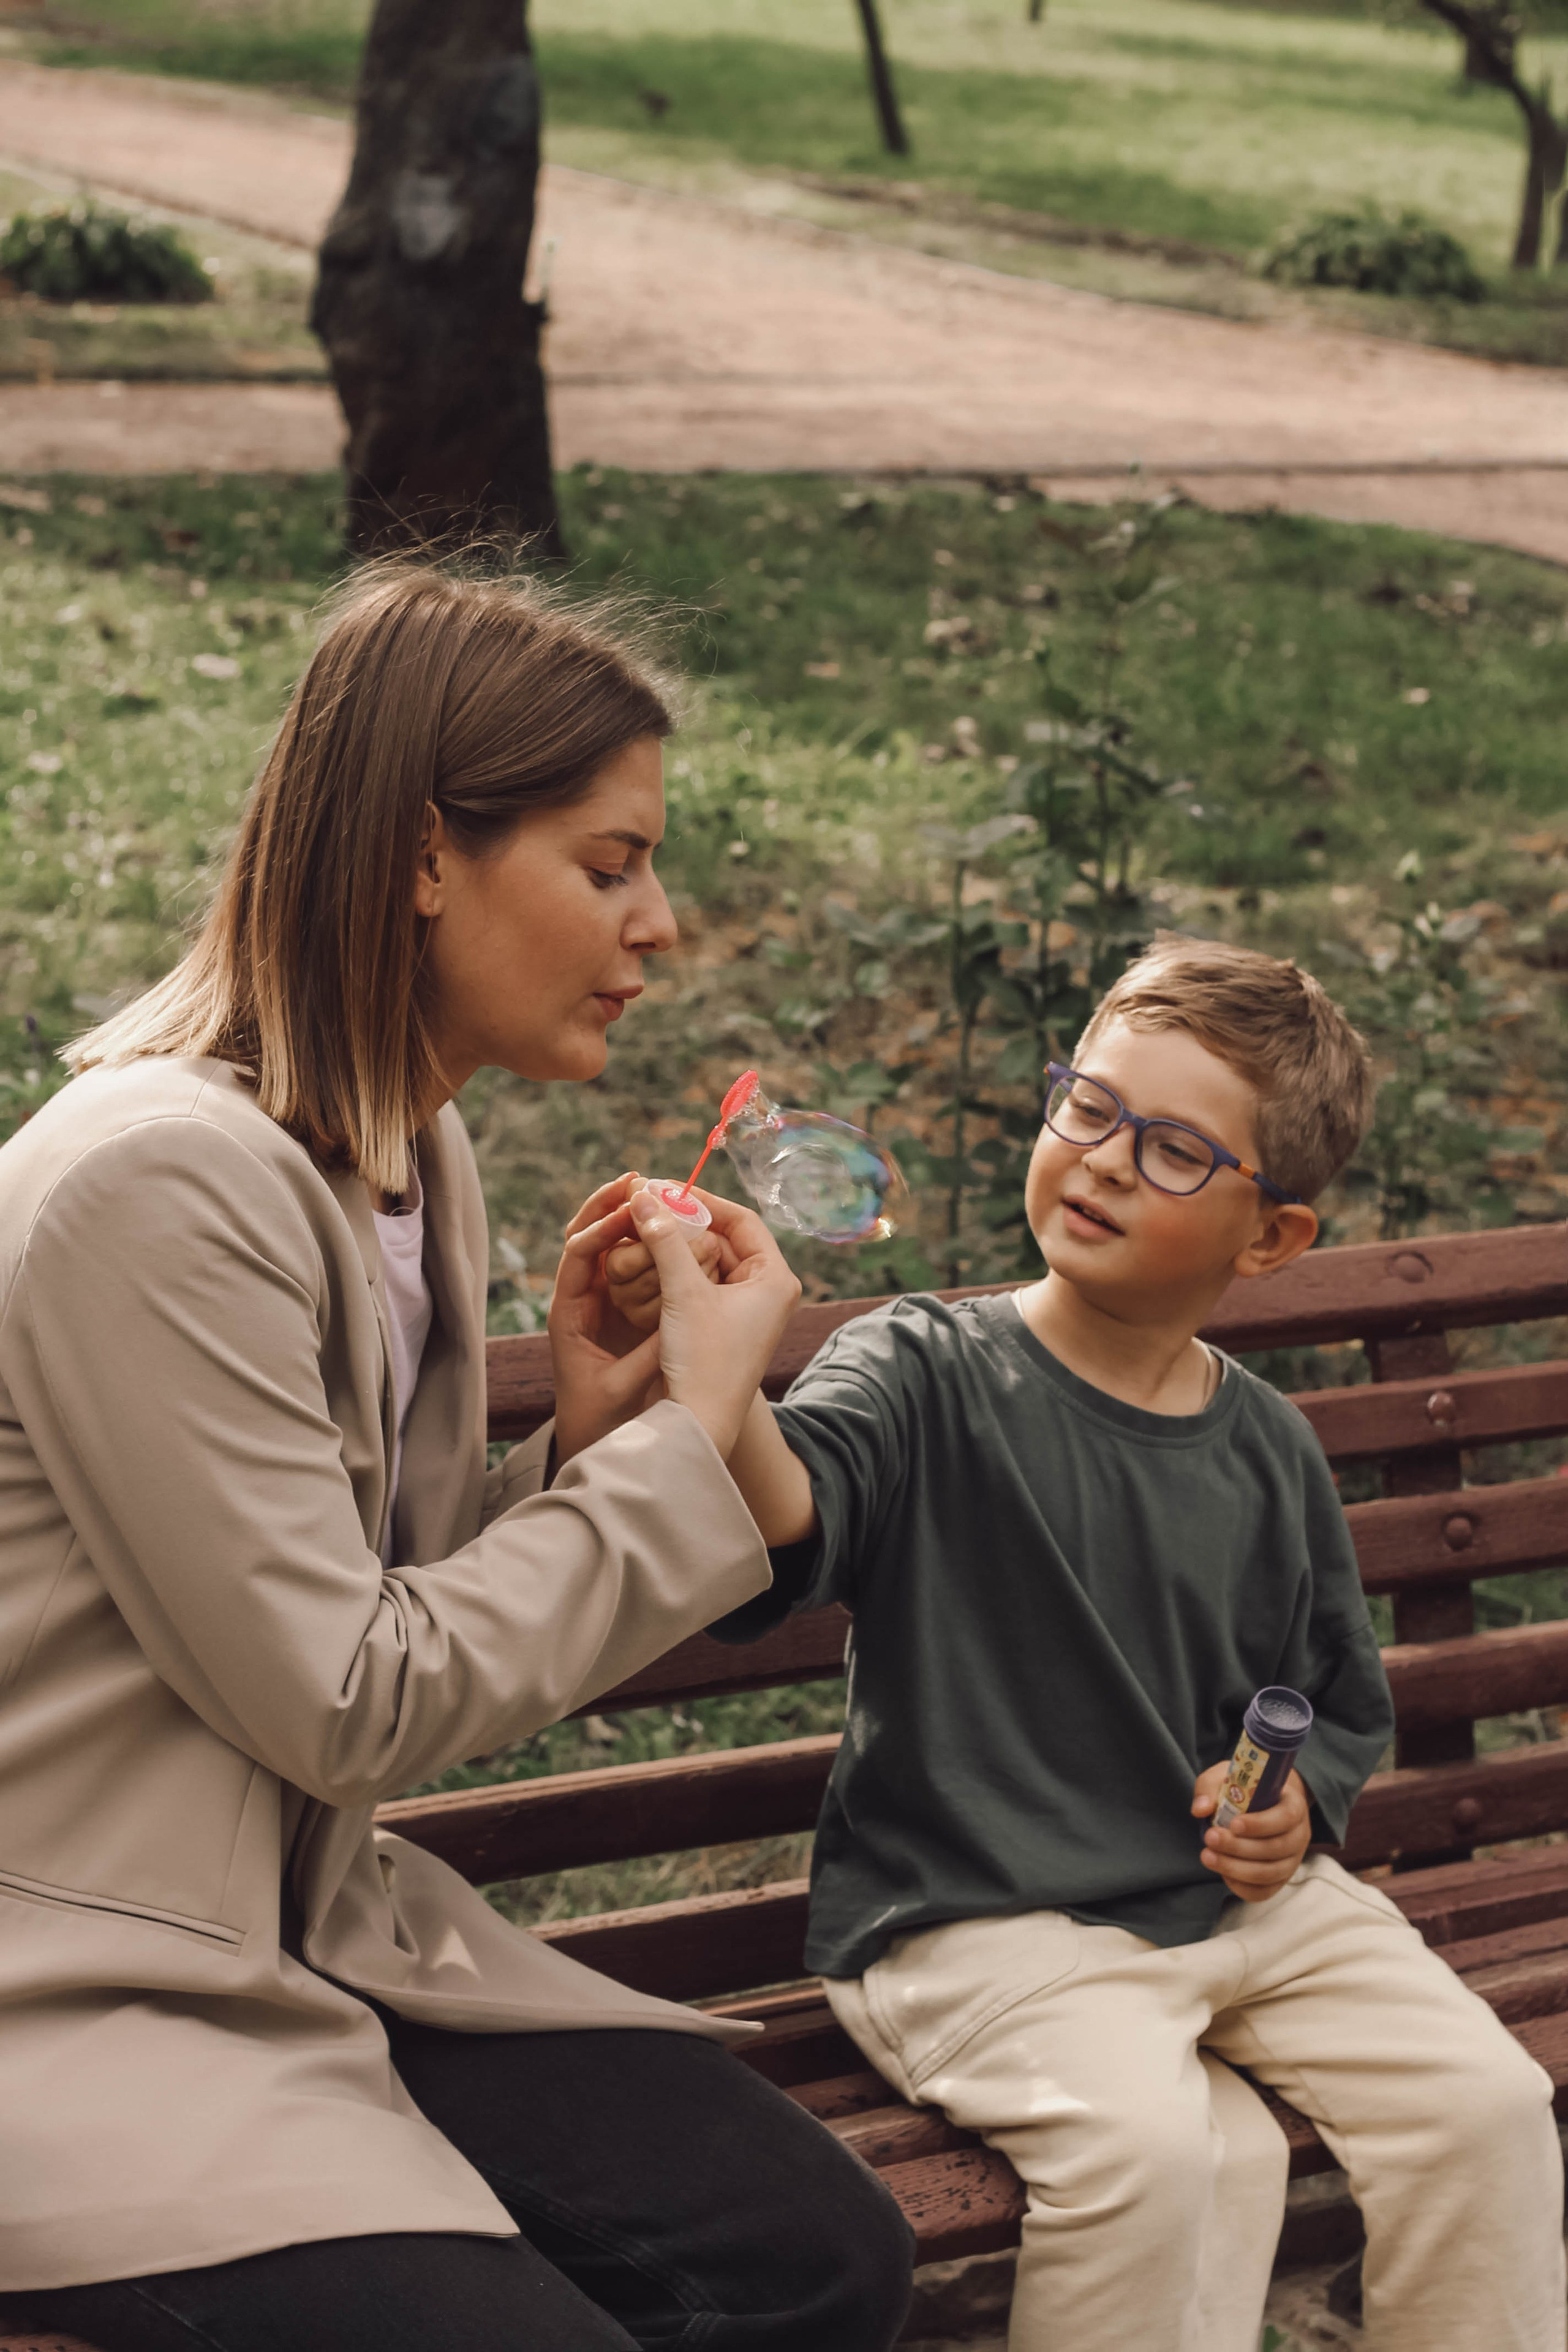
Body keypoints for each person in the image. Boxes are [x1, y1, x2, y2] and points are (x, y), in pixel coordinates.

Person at [0, 564, 913, 2352]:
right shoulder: (151, 1185)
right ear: (427, 857)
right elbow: (349, 1700)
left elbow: (367, 1600)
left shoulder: (402, 1151)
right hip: (77, 1988)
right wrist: (701, 1439)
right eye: (610, 862)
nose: (661, 924)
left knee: (815, 2256)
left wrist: (593, 1437)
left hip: (291, 1935)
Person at [606, 933, 1566, 2352]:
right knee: (1166, 2158)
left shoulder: (1266, 1449)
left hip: (1229, 1908)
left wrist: (1291, 1812)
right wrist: (721, 1370)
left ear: (1272, 1237)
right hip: (979, 1919)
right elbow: (784, 1531)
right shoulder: (919, 1369)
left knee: (1482, 2110)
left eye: (1175, 1149)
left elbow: (1323, 1699)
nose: (1108, 1160)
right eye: (1090, 1108)